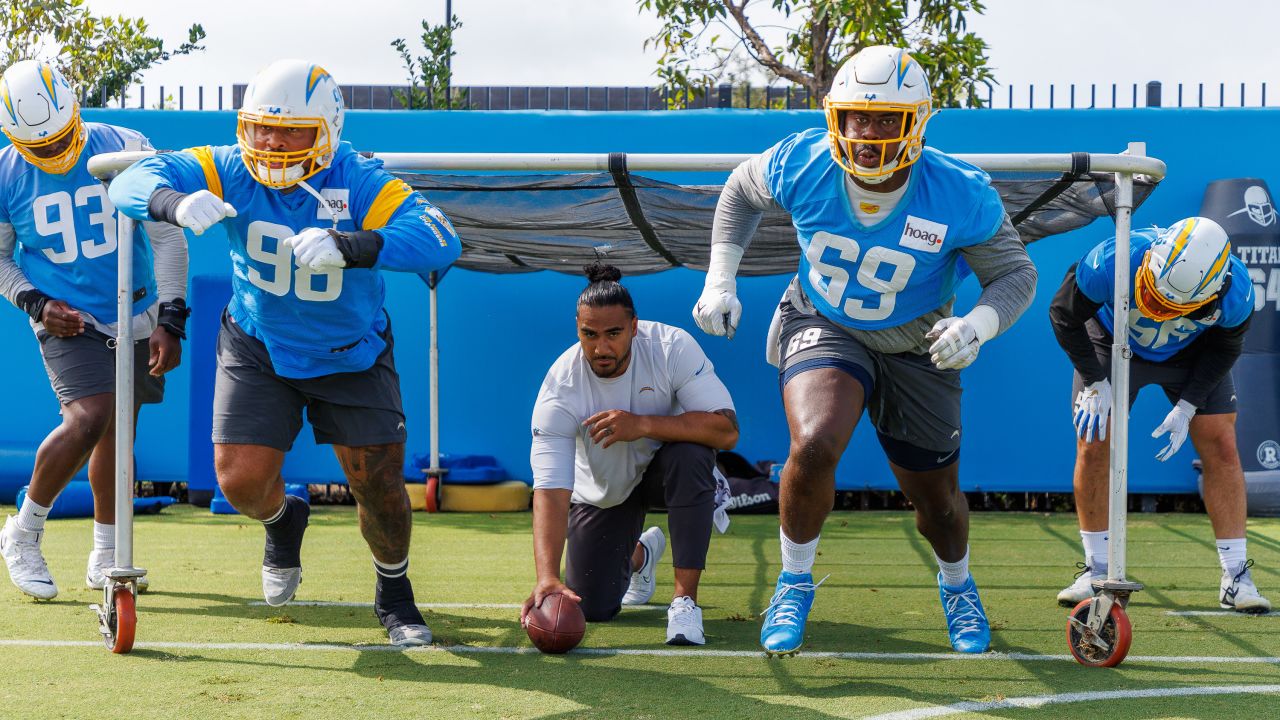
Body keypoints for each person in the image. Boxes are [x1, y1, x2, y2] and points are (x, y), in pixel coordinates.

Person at [692, 45, 1037, 655]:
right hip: (826, 321)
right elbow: (740, 191)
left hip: (918, 344)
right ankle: (794, 581)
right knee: (815, 440)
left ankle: (957, 585)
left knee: (940, 507)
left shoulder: (958, 191)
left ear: (916, 123)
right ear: (837, 116)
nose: (869, 133)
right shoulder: (803, 160)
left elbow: (1015, 275)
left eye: (885, 120)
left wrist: (978, 325)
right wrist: (721, 276)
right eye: (857, 117)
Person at [108, 59, 461, 645]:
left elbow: (441, 239)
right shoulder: (226, 166)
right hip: (259, 344)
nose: (269, 143)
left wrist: (351, 243)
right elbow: (128, 181)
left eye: (290, 129)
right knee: (240, 483)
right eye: (260, 127)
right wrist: (172, 202)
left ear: (326, 131)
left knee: (378, 484)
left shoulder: (359, 179)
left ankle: (394, 593)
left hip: (350, 352)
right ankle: (282, 519)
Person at [0, 60, 188, 600]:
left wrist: (171, 316)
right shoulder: (7, 173)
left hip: (136, 305)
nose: (56, 152)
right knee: (90, 417)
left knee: (118, 433)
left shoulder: (127, 145)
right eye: (41, 145)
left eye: (62, 138)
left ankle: (106, 553)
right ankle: (24, 531)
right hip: (66, 315)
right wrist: (34, 302)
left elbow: (168, 237)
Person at [1050, 216, 1270, 613]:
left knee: (1221, 443)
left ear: (1213, 287)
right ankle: (1095, 569)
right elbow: (1063, 314)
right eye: (1153, 295)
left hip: (1192, 353)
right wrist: (1095, 380)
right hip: (1111, 341)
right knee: (1094, 439)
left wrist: (1188, 406)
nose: (1159, 310)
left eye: (1172, 305)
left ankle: (1236, 576)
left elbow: (1224, 350)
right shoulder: (1113, 259)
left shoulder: (1235, 294)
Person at [521, 263, 739, 646]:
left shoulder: (672, 347)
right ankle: (640, 554)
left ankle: (684, 602)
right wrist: (547, 578)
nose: (601, 347)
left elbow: (726, 430)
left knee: (691, 454)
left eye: (613, 334)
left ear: (634, 328)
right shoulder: (560, 387)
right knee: (593, 607)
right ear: (577, 329)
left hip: (667, 473)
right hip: (606, 493)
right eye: (589, 334)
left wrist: (641, 425)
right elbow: (551, 490)